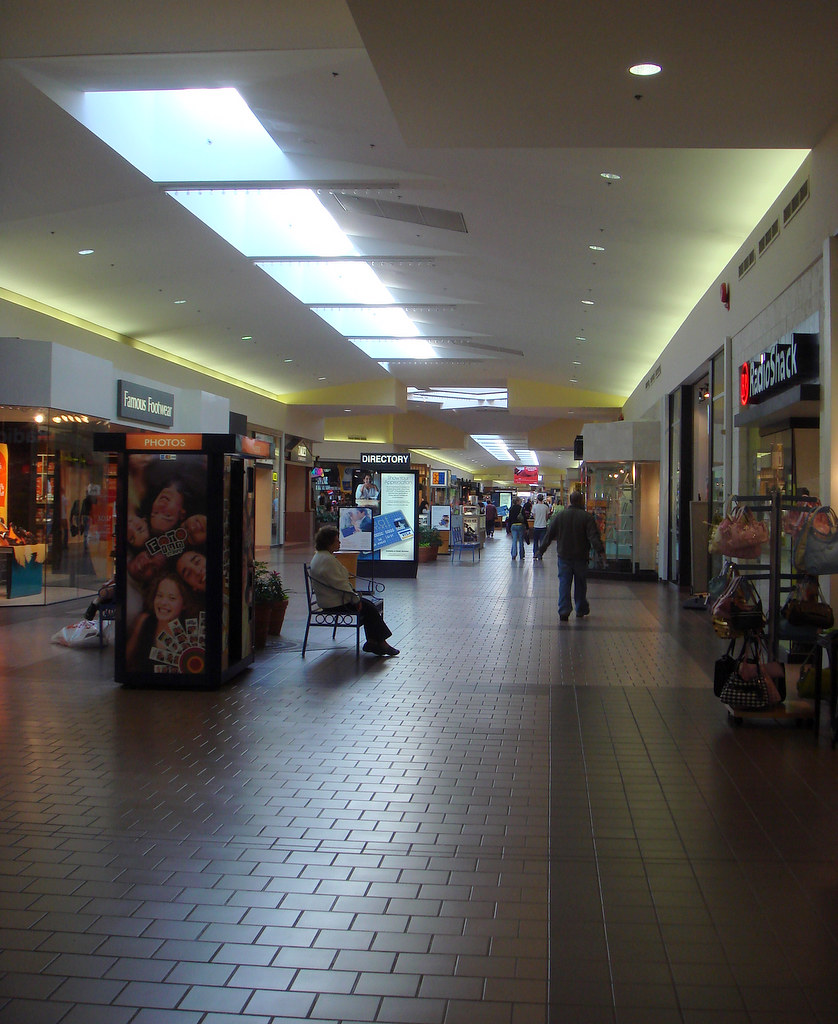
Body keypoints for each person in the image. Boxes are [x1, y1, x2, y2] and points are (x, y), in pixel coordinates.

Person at [309, 526, 398, 656]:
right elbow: (339, 584)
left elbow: (338, 581)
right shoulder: (328, 560)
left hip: (329, 599)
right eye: (337, 540)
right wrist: (355, 599)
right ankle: (380, 643)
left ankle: (373, 642)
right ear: (329, 543)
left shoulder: (321, 557)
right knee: (369, 608)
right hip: (335, 602)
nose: (339, 542)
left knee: (369, 606)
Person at [538, 490, 605, 620]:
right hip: (581, 556)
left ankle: (564, 610)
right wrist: (601, 552)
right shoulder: (587, 517)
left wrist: (541, 550)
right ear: (581, 501)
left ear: (570, 501)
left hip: (564, 555)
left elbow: (549, 534)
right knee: (580, 583)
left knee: (564, 583)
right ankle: (581, 608)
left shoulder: (560, 516)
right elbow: (593, 537)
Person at [126, 572, 197, 671]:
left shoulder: (192, 633)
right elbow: (126, 660)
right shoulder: (144, 621)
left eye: (172, 598)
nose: (163, 602)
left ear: (184, 603)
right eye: (159, 595)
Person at [507, 496, 527, 560]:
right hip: (520, 525)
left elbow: (509, 519)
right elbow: (524, 518)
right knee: (521, 541)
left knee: (514, 540)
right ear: (517, 501)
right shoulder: (521, 508)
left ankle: (513, 554)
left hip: (513, 526)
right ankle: (521, 555)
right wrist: (527, 527)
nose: (521, 502)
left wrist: (508, 528)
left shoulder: (511, 509)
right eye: (520, 501)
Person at [531, 494, 549, 560]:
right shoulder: (546, 507)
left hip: (536, 526)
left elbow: (533, 516)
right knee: (542, 541)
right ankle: (540, 555)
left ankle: (535, 554)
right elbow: (547, 516)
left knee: (535, 541)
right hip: (543, 526)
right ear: (543, 499)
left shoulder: (534, 507)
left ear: (537, 499)